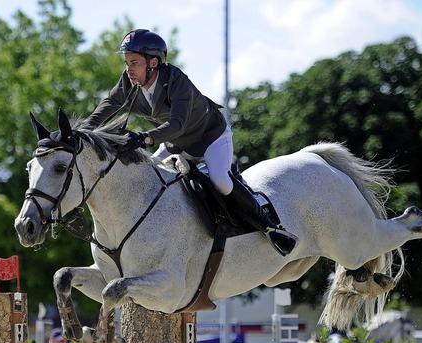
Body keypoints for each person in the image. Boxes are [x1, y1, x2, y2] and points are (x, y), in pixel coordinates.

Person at [85, 29, 297, 256]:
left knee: (220, 181)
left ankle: (270, 227)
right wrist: (82, 130)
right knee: (147, 177)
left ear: (153, 63)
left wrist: (145, 137)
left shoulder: (177, 82)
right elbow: (109, 104)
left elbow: (177, 125)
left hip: (210, 139)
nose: (129, 70)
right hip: (176, 144)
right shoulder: (130, 82)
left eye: (134, 63)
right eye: (127, 63)